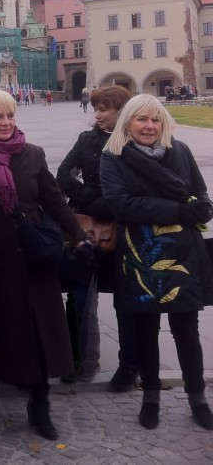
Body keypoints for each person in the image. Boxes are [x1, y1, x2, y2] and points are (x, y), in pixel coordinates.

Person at [0, 89, 85, 441]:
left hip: (34, 262)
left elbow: (53, 199)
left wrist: (78, 235)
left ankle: (40, 404)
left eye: (10, 116)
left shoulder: (32, 154)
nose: (6, 123)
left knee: (39, 333)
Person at [100, 94, 213, 431]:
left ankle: (198, 398)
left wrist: (203, 209)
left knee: (186, 329)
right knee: (146, 330)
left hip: (183, 254)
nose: (149, 126)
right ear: (128, 122)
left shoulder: (180, 151)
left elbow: (201, 194)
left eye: (155, 119)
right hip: (142, 255)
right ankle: (150, 397)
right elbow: (122, 204)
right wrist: (179, 211)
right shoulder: (113, 156)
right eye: (142, 119)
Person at [57, 85, 138, 390]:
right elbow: (64, 174)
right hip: (89, 227)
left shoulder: (133, 142)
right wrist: (92, 200)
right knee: (80, 295)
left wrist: (111, 203)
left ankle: (129, 366)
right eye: (96, 109)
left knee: (125, 300)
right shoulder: (87, 139)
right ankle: (80, 360)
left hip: (125, 228)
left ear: (122, 111)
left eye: (104, 109)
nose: (98, 115)